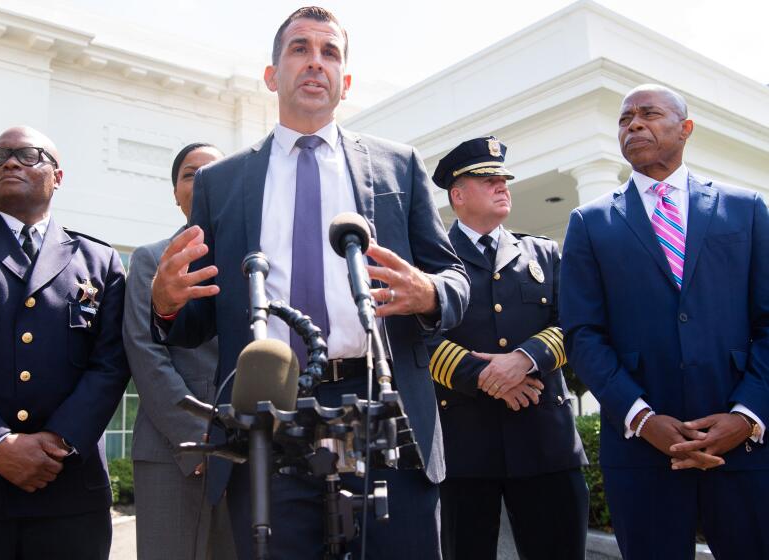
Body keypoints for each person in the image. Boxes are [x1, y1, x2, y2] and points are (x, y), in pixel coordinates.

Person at [150, 6, 469, 559]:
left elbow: (456, 280)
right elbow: (198, 319)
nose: (315, 63)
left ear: (345, 82)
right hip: (268, 414)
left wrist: (430, 292)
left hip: (383, 412)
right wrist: (167, 305)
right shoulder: (221, 183)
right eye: (300, 49)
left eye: (330, 52)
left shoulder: (399, 167)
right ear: (272, 75)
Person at [560, 84, 769, 559]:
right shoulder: (590, 223)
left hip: (744, 449)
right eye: (624, 119)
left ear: (686, 128)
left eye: (648, 114)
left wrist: (747, 415)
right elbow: (583, 334)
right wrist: (642, 417)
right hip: (642, 454)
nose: (633, 124)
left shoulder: (747, 210)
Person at [0, 126, 130, 559]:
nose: (10, 162)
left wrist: (58, 441)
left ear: (58, 177)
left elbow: (111, 363)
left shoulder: (99, 261)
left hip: (68, 496)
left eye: (27, 154)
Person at [428, 136, 588, 560]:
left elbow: (572, 323)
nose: (502, 186)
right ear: (457, 195)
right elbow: (417, 337)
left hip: (544, 441)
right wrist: (481, 375)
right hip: (465, 447)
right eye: (488, 179)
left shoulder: (543, 252)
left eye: (504, 179)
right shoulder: (431, 262)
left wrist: (524, 359)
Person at [124, 143, 237, 560]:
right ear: (175, 192)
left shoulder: (257, 261)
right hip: (174, 453)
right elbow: (144, 350)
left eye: (215, 172)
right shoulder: (149, 261)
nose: (204, 180)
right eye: (191, 174)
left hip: (249, 451)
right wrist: (198, 436)